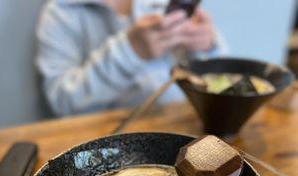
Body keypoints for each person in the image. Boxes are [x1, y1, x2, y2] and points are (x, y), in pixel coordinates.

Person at [36, 0, 227, 116]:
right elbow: (62, 102)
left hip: (185, 122)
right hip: (111, 140)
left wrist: (207, 47)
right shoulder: (60, 13)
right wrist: (129, 51)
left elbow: (224, 77)